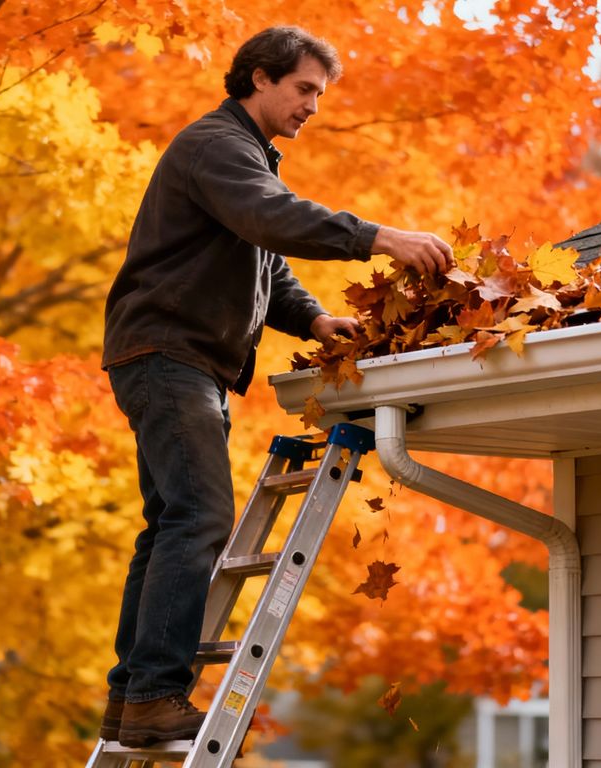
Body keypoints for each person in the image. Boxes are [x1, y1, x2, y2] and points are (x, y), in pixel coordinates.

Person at [99, 25, 454, 747]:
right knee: (198, 517)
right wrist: (378, 237)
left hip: (178, 359)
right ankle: (156, 695)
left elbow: (264, 256)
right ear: (258, 77)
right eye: (303, 89)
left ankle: (132, 697)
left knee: (168, 523)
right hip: (170, 355)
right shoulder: (215, 147)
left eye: (319, 95)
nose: (312, 107)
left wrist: (317, 320)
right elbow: (271, 219)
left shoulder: (246, 158)